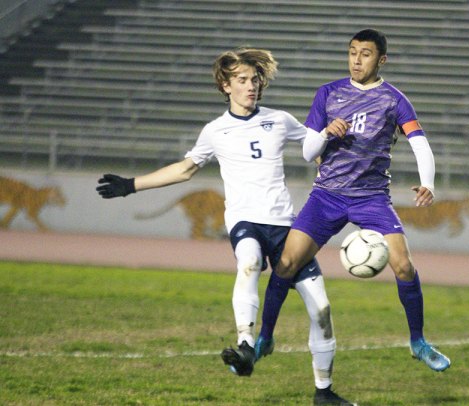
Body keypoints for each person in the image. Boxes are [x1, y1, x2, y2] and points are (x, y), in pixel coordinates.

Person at [96, 48, 355, 405]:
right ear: (225, 85)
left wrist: (335, 144)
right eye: (242, 80)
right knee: (248, 262)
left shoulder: (280, 120)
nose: (251, 86)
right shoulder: (215, 131)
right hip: (245, 220)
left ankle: (323, 393)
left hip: (286, 228)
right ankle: (246, 345)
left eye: (255, 80)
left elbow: (316, 146)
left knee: (322, 309)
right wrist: (131, 185)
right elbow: (185, 169)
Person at [256, 29, 451, 373]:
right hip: (326, 196)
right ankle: (265, 338)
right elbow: (306, 153)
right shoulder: (328, 93)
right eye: (352, 52)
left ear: (381, 60)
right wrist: (327, 132)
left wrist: (428, 183)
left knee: (404, 266)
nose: (357, 60)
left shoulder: (394, 100)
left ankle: (418, 342)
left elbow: (419, 142)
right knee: (285, 264)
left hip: (372, 198)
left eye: (365, 54)